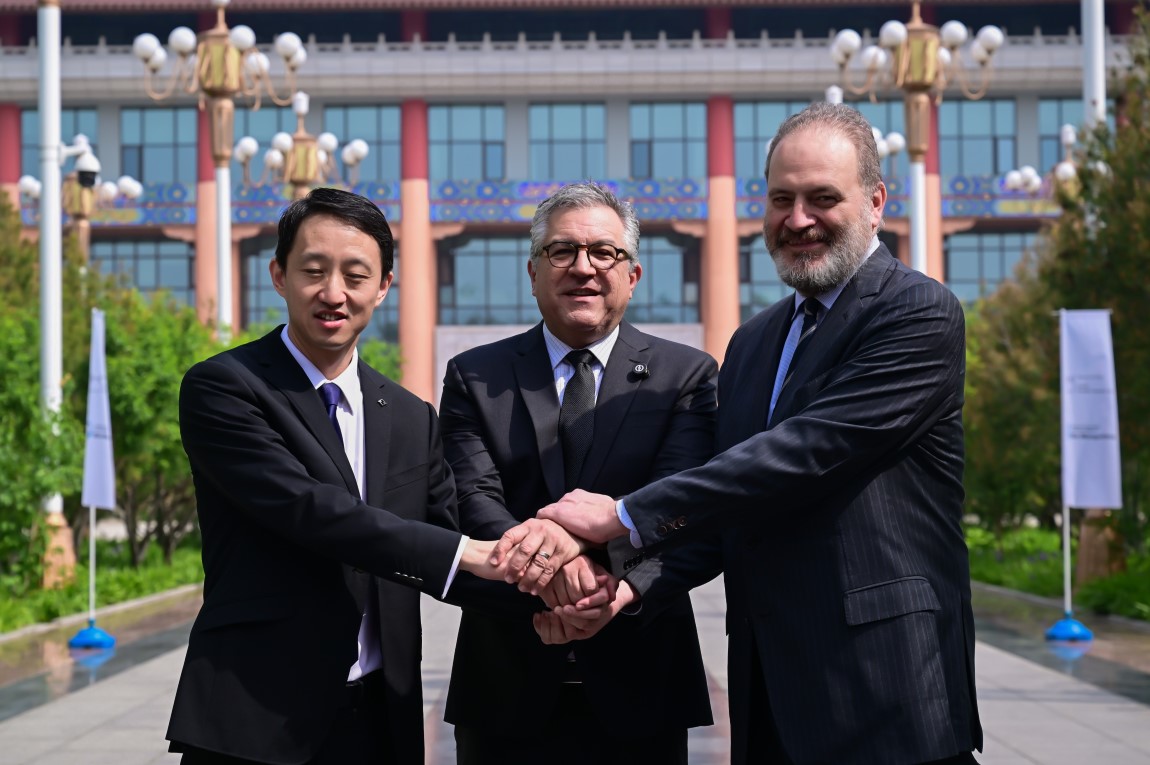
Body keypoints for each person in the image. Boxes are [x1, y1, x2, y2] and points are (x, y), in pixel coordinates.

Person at [497, 103, 983, 765]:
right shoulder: (755, 342)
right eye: (781, 199)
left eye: (822, 198)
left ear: (875, 203)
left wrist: (622, 514)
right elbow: (727, 502)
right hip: (770, 689)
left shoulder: (917, 312)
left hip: (887, 686)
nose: (798, 219)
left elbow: (808, 451)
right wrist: (627, 587)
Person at [166, 188, 521, 765]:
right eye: (313, 271)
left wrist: (556, 592)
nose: (333, 293)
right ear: (279, 275)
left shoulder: (410, 416)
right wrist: (467, 553)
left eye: (356, 276)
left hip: (379, 719)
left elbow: (445, 543)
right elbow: (311, 511)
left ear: (383, 286)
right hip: (255, 718)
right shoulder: (226, 387)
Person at [438, 181, 717, 764]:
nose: (583, 268)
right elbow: (472, 500)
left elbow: (681, 506)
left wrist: (611, 586)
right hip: (505, 678)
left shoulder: (686, 376)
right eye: (562, 251)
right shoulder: (475, 376)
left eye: (603, 252)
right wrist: (557, 574)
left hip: (643, 677)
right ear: (533, 272)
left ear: (632, 275)